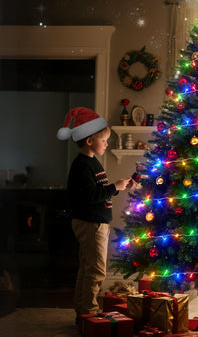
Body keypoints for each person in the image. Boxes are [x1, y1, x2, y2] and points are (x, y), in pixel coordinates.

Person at [57, 107, 134, 320]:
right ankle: (89, 311)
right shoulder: (82, 165)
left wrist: (117, 188)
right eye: (104, 140)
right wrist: (113, 187)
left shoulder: (91, 162)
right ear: (90, 140)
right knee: (96, 270)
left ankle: (82, 308)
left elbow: (98, 194)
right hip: (91, 223)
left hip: (96, 222)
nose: (107, 144)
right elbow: (91, 196)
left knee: (88, 267)